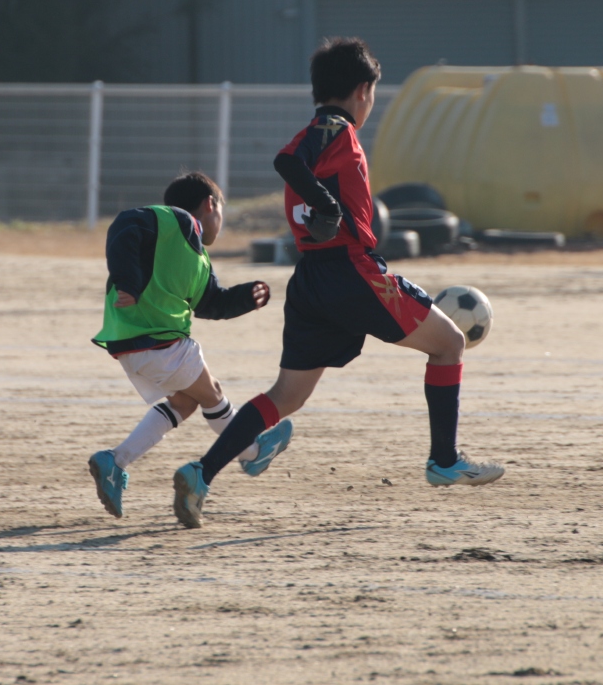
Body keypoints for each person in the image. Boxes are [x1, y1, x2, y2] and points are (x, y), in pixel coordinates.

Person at [171, 38, 504, 528]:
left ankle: (200, 474)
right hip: (352, 271)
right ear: (363, 90)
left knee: (287, 396)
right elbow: (288, 162)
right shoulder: (335, 128)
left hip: (312, 278)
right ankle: (444, 460)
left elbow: (297, 166)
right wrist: (329, 207)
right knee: (450, 343)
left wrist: (325, 205)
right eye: (373, 94)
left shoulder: (322, 132)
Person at [89, 172, 287, 518]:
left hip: (134, 344)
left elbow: (211, 303)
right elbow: (125, 224)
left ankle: (115, 461)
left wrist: (246, 297)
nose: (220, 223)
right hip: (161, 341)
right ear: (210, 205)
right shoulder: (176, 220)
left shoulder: (199, 259)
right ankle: (253, 453)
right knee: (212, 394)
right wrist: (127, 281)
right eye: (221, 212)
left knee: (185, 402)